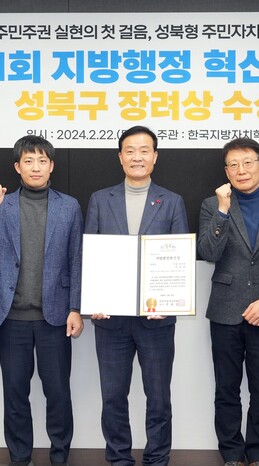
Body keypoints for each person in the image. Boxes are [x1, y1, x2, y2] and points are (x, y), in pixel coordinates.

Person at [0, 135, 83, 466]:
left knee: (58, 393)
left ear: (52, 166)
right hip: (11, 318)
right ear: (17, 167)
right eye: (29, 161)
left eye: (42, 161)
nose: (36, 167)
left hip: (55, 317)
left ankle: (60, 457)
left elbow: (77, 260)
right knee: (15, 395)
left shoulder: (69, 206)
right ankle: (19, 458)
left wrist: (75, 308)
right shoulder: (3, 205)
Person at [85, 125, 189, 466]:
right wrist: (93, 299)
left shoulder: (172, 201)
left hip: (156, 321)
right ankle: (118, 459)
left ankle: (157, 459)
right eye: (130, 151)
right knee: (113, 397)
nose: (137, 157)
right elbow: (91, 255)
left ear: (155, 157)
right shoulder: (100, 199)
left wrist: (170, 301)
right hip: (110, 320)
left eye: (144, 151)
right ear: (120, 157)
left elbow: (178, 257)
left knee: (158, 398)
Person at [198, 138, 259, 466]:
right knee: (226, 389)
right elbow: (208, 253)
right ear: (226, 171)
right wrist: (223, 211)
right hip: (225, 310)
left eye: (248, 163)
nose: (241, 170)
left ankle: (257, 454)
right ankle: (231, 454)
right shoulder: (212, 205)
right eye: (233, 165)